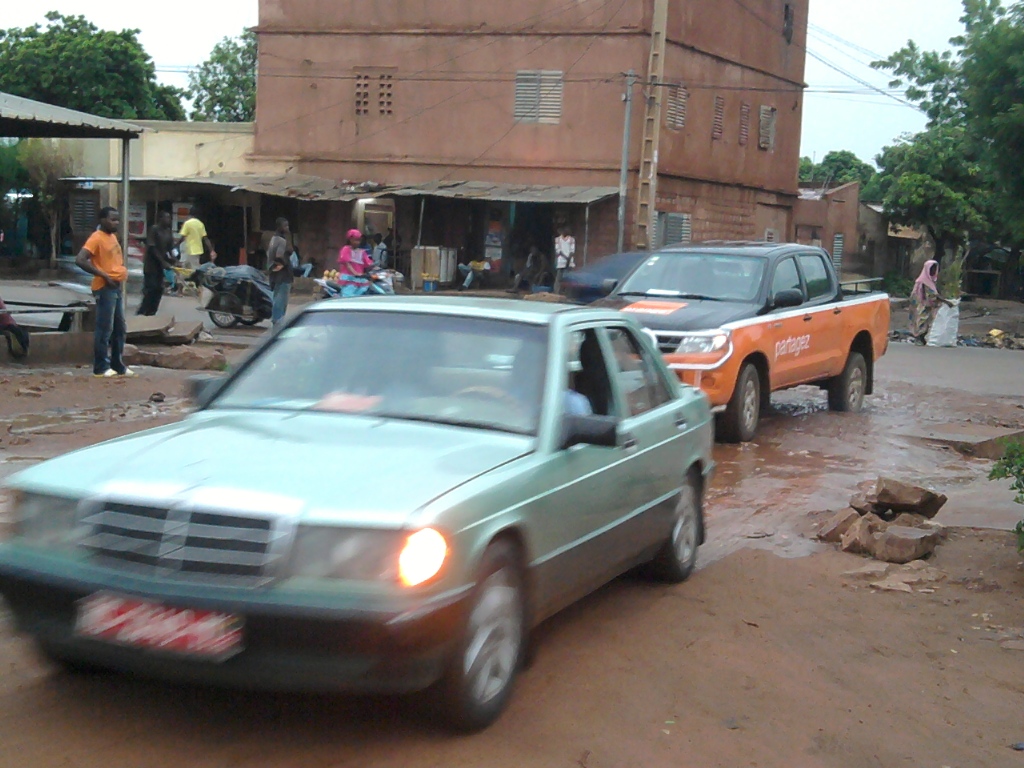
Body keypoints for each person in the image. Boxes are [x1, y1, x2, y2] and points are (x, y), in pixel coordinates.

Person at [76, 207, 135, 378]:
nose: (116, 223)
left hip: (116, 286)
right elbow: (80, 259)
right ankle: (100, 366)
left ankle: (117, 364)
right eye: (112, 219)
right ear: (102, 220)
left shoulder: (113, 237)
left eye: (117, 220)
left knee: (119, 328)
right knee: (105, 328)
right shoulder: (96, 238)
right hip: (104, 287)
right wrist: (103, 275)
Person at [138, 211, 176, 316]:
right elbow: (152, 248)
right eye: (166, 218)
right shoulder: (154, 230)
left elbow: (170, 248)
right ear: (160, 219)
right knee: (151, 288)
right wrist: (163, 262)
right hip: (151, 265)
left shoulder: (168, 231)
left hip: (160, 266)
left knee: (159, 289)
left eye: (169, 218)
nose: (168, 220)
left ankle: (152, 311)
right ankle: (143, 311)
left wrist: (174, 259)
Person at [910, 260, 954, 345]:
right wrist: (946, 302)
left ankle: (922, 338)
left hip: (927, 305)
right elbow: (932, 294)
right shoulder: (923, 281)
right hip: (922, 304)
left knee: (927, 321)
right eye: (931, 269)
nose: (933, 271)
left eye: (935, 269)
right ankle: (918, 337)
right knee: (921, 321)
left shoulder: (930, 281)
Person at [267, 217, 293, 325]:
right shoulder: (281, 240)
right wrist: (283, 264)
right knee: (281, 301)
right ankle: (278, 322)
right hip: (283, 275)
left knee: (277, 298)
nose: (287, 228)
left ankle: (277, 321)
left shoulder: (273, 239)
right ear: (279, 227)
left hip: (275, 275)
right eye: (285, 226)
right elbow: (279, 256)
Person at [337, 229, 376, 296]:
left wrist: (378, 270)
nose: (358, 242)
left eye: (359, 240)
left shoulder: (362, 252)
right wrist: (356, 273)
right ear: (350, 240)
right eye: (356, 240)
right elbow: (347, 264)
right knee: (348, 298)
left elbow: (369, 264)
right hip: (349, 279)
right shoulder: (346, 249)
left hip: (359, 279)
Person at [553, 226, 577, 294]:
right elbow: (558, 251)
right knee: (559, 278)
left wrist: (568, 260)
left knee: (569, 279)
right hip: (561, 261)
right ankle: (557, 292)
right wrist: (566, 258)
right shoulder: (557, 239)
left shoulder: (572, 239)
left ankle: (568, 293)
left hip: (569, 262)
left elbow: (572, 251)